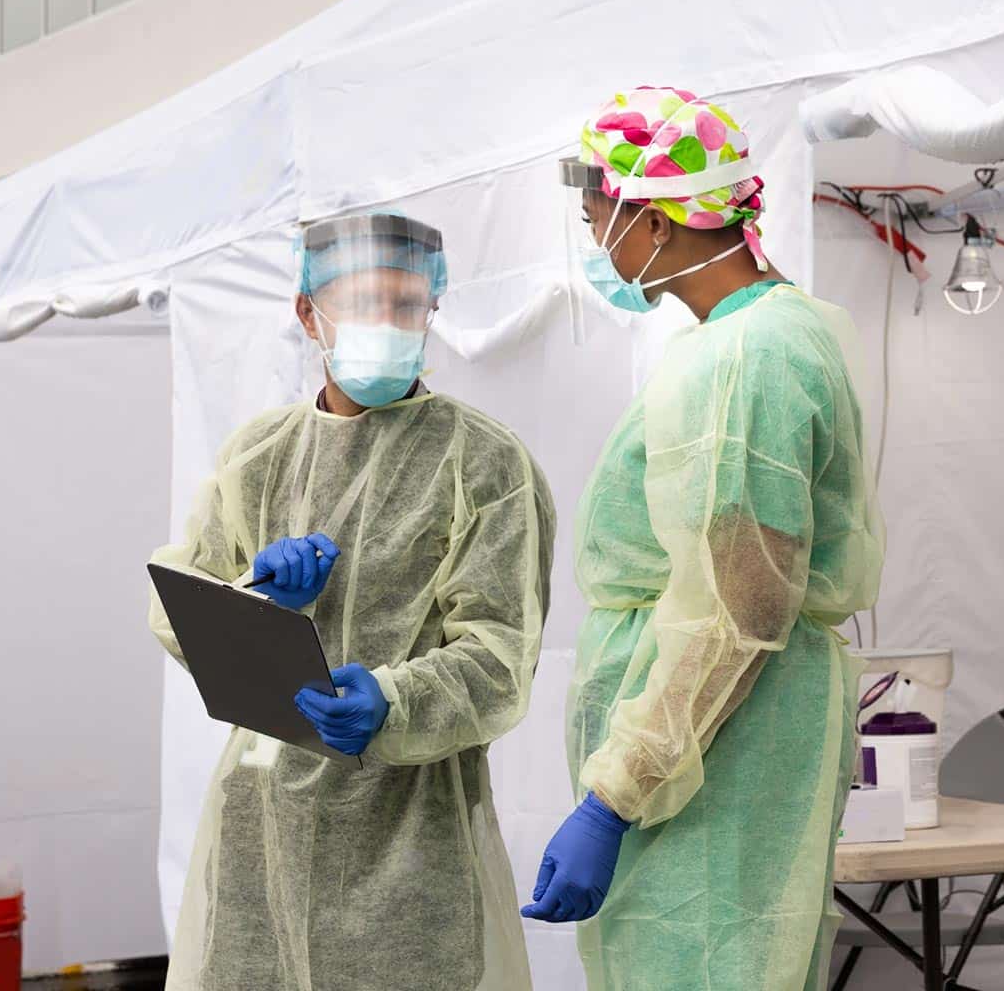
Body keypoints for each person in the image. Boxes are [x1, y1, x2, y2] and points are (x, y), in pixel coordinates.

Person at [521, 87, 885, 991]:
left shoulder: (748, 358)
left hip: (716, 763)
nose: (592, 238)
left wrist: (615, 795)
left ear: (652, 221)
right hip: (709, 754)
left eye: (594, 213)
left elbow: (742, 609)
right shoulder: (756, 337)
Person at [149, 212, 556, 990]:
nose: (390, 324)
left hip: (409, 832)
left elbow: (501, 654)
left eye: (409, 306)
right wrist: (252, 595)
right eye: (367, 301)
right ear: (309, 313)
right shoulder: (259, 454)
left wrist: (395, 702)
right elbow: (179, 608)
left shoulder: (485, 463)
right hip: (261, 824)